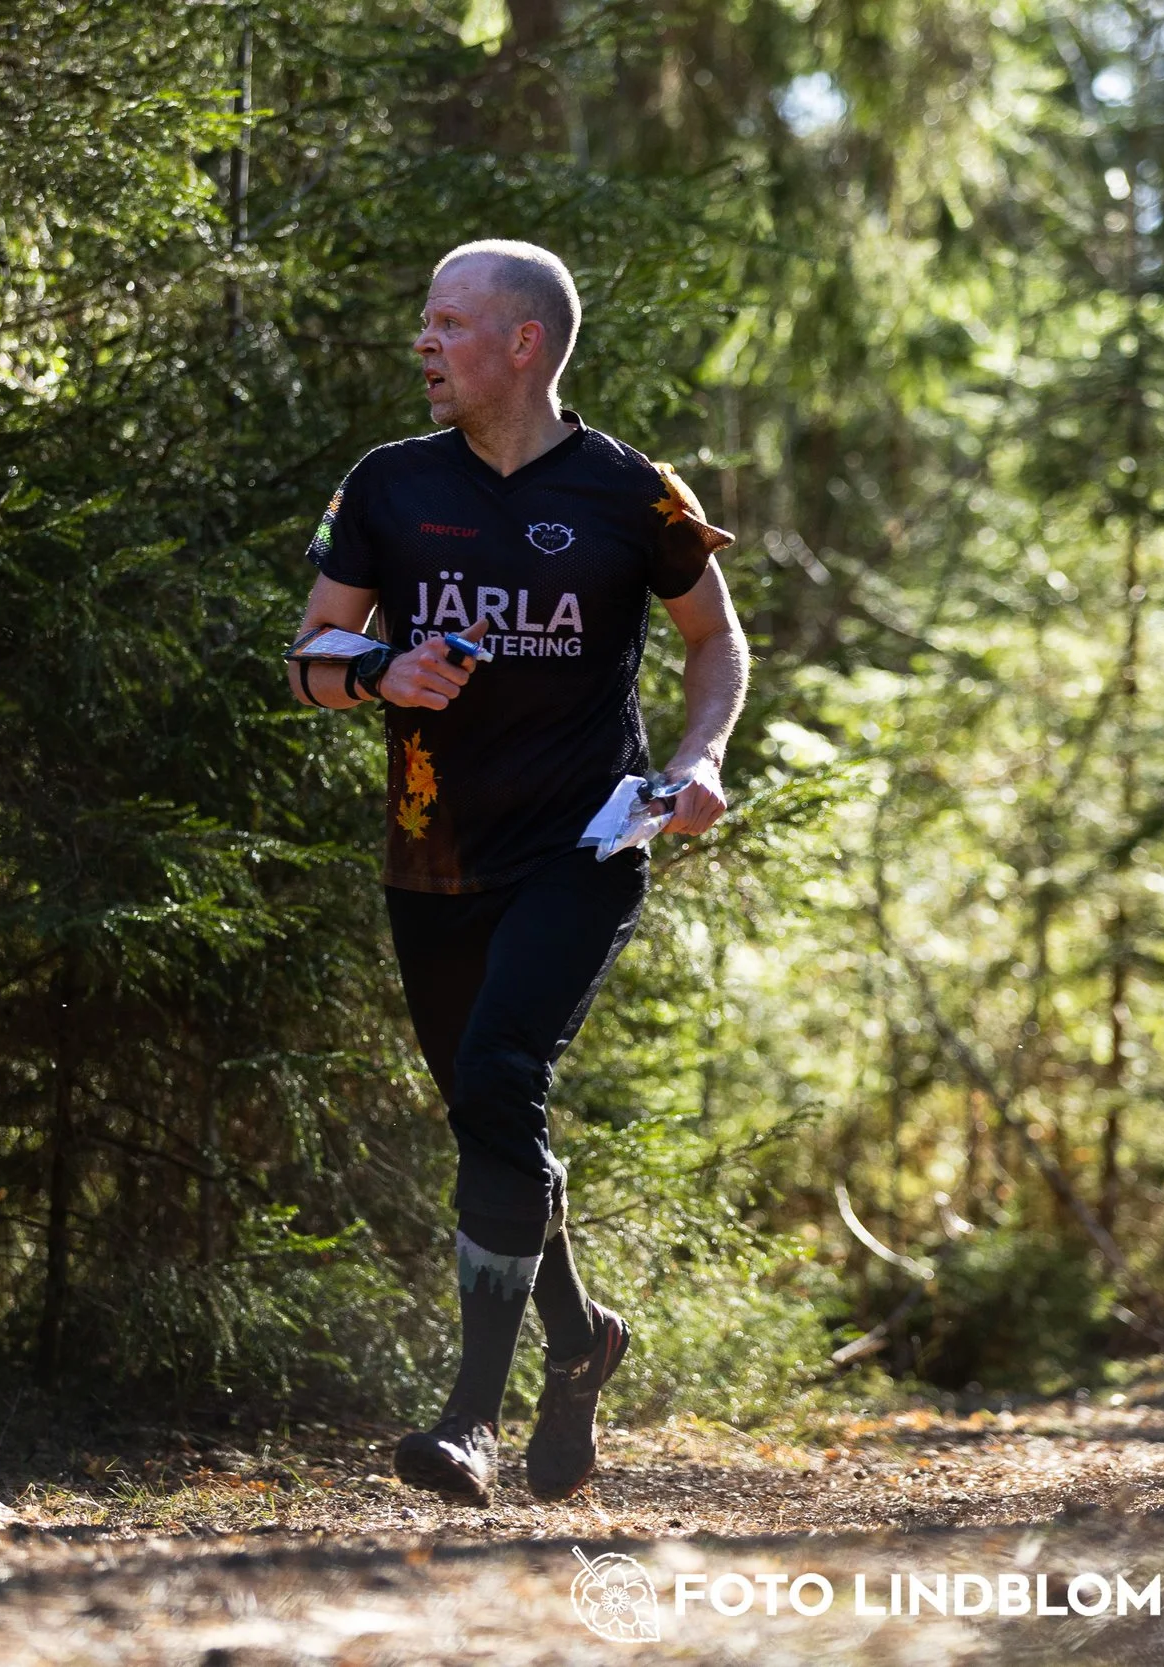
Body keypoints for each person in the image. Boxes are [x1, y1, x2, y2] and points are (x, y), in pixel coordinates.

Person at [288, 239, 748, 1503]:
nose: (422, 344)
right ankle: (581, 1337)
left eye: (446, 323)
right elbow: (308, 655)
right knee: (489, 1116)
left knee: (500, 1073)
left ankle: (468, 1419)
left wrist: (698, 760)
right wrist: (377, 669)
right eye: (424, 323)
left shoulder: (630, 493)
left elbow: (715, 639)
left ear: (522, 343)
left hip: (582, 846)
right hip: (430, 857)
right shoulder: (388, 484)